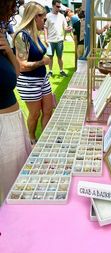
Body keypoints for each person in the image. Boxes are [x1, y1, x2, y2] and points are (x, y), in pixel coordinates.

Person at [0, 0, 32, 203]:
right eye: (11, 5)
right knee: (11, 194)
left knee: (18, 186)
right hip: (3, 127)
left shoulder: (2, 32)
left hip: (13, 121)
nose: (14, 10)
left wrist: (9, 51)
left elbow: (16, 72)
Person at [14, 1, 53, 144]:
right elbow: (22, 66)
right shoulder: (21, 35)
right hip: (29, 82)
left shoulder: (35, 33)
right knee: (35, 114)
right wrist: (43, 62)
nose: (45, 22)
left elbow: (38, 53)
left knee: (48, 110)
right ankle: (31, 139)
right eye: (44, 18)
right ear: (35, 17)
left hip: (42, 79)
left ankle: (45, 140)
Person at [44, 0, 71, 77]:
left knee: (60, 57)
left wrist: (68, 29)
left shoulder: (62, 16)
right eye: (57, 6)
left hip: (59, 40)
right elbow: (45, 28)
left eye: (60, 6)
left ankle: (61, 71)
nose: (59, 8)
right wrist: (46, 39)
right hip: (50, 40)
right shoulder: (48, 16)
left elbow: (65, 27)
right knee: (50, 57)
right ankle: (50, 71)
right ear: (53, 6)